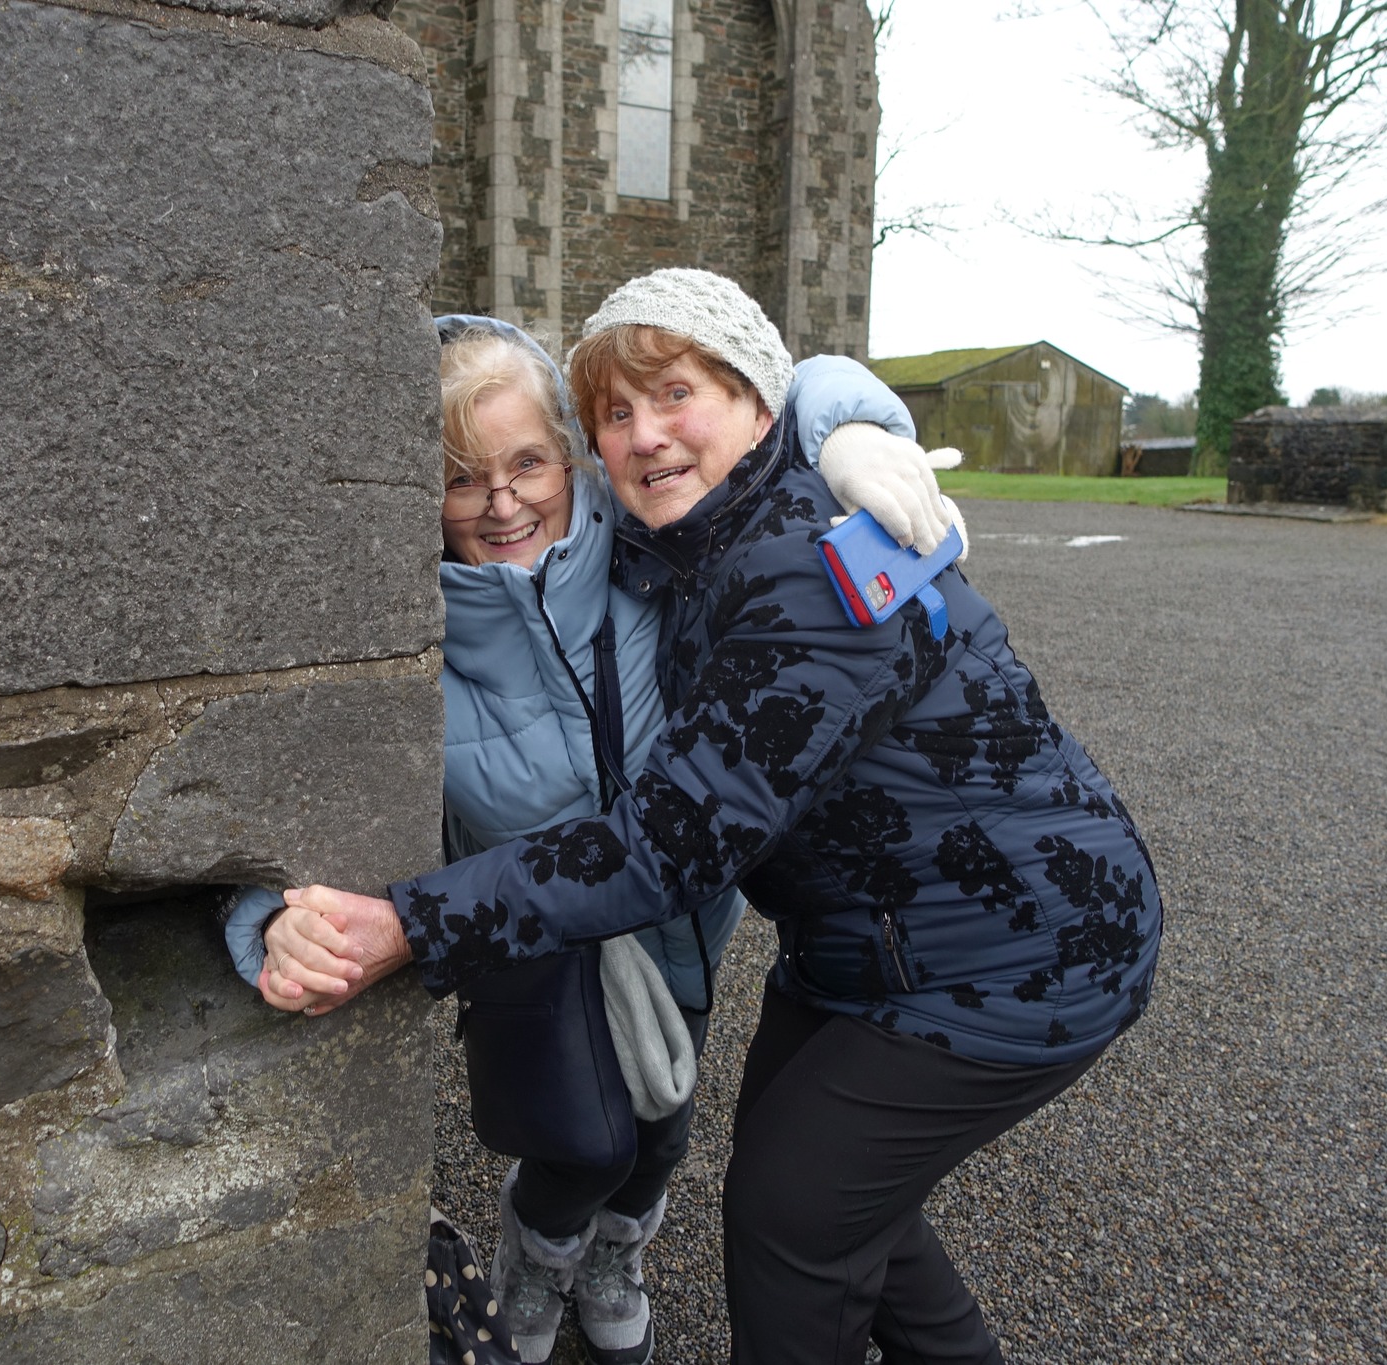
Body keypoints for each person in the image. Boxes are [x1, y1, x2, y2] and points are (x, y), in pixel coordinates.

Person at [260, 269, 1162, 1365]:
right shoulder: (676, 542)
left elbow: (675, 841)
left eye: (675, 395)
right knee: (831, 1198)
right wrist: (849, 409)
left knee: (791, 1223)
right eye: (615, 413)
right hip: (859, 949)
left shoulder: (817, 560)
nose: (645, 437)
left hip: (1021, 950)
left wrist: (405, 925)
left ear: (754, 402)